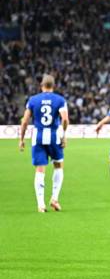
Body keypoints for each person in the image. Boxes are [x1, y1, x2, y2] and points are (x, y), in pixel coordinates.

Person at [19, 74, 69, 212]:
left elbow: (24, 121)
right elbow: (65, 119)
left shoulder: (33, 100)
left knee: (40, 170)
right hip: (54, 136)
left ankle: (41, 204)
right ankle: (54, 199)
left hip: (38, 137)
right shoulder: (60, 100)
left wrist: (21, 139)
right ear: (53, 86)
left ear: (41, 85)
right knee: (58, 166)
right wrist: (64, 135)